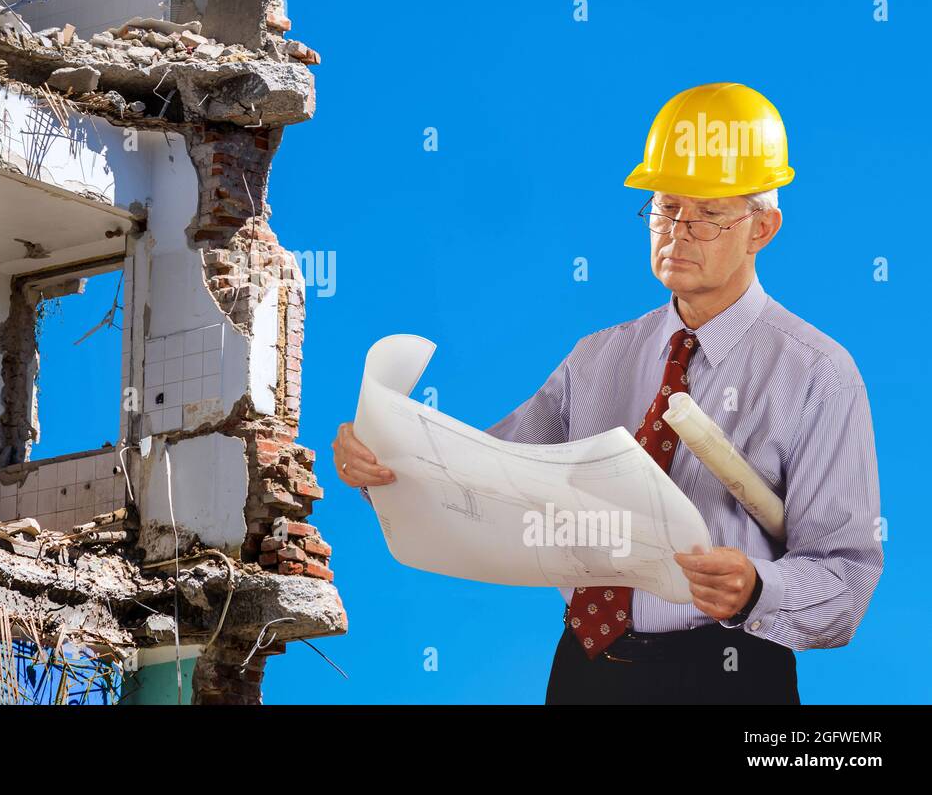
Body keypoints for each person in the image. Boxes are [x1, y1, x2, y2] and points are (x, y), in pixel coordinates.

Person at [331, 83, 883, 703]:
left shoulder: (817, 373)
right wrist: (388, 461)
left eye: (706, 215)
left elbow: (848, 574)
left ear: (762, 228)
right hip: (587, 670)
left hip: (728, 672)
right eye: (666, 209)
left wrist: (758, 590)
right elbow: (485, 477)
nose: (678, 232)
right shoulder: (597, 359)